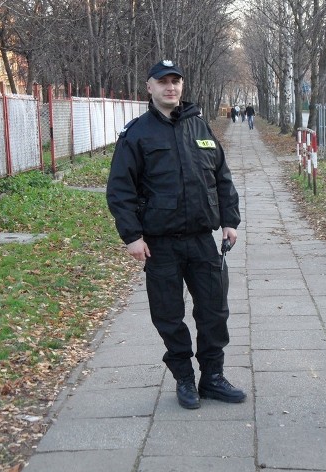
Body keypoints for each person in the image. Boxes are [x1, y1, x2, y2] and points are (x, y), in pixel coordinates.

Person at [106, 60, 246, 410]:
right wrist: (132, 237)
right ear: (149, 87)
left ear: (182, 86)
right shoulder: (137, 134)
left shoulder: (199, 127)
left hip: (202, 238)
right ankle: (185, 378)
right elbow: (120, 191)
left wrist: (230, 220)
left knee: (214, 311)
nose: (171, 87)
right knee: (168, 315)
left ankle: (212, 377)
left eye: (176, 82)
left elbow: (222, 177)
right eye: (163, 82)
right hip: (160, 244)